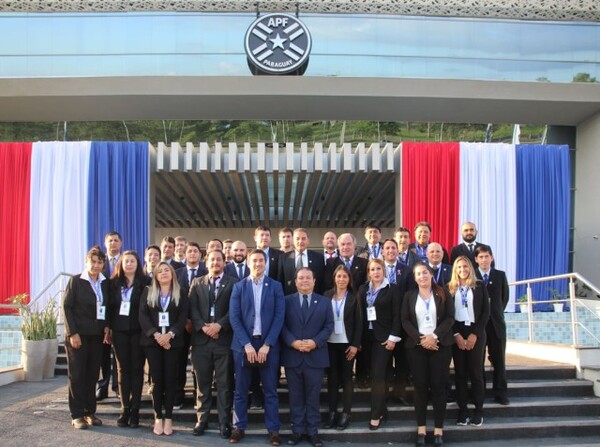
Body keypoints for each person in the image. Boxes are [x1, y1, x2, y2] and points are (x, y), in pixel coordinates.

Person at [229, 249, 285, 445]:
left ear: (266, 262)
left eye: (261, 260)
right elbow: (234, 318)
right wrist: (247, 345)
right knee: (241, 389)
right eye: (254, 260)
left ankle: (273, 430)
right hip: (244, 345)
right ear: (248, 262)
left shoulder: (276, 287)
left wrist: (267, 344)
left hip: (268, 345)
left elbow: (279, 317)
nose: (258, 264)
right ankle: (238, 427)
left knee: (270, 390)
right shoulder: (239, 287)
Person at [402, 262, 455, 447]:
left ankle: (439, 430)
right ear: (414, 278)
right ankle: (422, 429)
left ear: (431, 274)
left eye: (425, 272)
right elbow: (405, 320)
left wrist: (434, 336)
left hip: (440, 346)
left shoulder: (442, 293)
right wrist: (421, 339)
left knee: (439, 387)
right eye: (418, 274)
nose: (422, 276)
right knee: (420, 388)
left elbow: (450, 317)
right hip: (416, 348)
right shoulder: (409, 296)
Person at [281, 267, 334, 447]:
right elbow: (281, 326)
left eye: (308, 278)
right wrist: (292, 342)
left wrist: (315, 342)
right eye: (301, 278)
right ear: (295, 281)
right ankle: (297, 431)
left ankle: (313, 432)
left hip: (315, 356)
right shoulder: (286, 301)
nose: (304, 281)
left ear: (314, 281)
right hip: (293, 356)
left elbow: (328, 326)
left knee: (313, 397)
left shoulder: (325, 302)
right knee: (295, 396)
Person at [189, 249, 238, 437]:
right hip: (201, 342)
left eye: (219, 259)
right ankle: (201, 420)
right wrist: (204, 327)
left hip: (223, 341)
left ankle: (224, 422)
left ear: (224, 262)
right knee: (203, 384)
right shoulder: (196, 283)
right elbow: (192, 310)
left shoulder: (234, 283)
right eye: (212, 259)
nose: (215, 262)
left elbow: (234, 310)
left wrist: (219, 326)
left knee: (225, 384)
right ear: (206, 262)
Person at [62, 246, 111, 430]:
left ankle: (90, 412)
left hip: (97, 336)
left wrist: (107, 326)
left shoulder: (105, 283)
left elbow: (108, 307)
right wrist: (72, 333)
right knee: (77, 375)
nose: (96, 265)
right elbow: (66, 307)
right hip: (78, 336)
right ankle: (76, 414)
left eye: (100, 262)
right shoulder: (76, 281)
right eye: (93, 261)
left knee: (92, 375)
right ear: (86, 262)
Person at [139, 261, 189, 436]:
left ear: (172, 274)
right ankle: (158, 417)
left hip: (173, 343)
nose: (163, 273)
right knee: (157, 381)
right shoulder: (148, 291)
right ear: (155, 275)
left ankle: (169, 418)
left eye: (167, 270)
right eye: (160, 271)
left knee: (170, 380)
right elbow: (143, 316)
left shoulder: (181, 292)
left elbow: (183, 317)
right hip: (153, 343)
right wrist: (157, 335)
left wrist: (170, 335)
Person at [358, 258, 402, 430]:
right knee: (377, 375)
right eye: (372, 269)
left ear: (384, 271)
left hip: (384, 339)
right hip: (366, 338)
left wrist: (393, 338)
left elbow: (397, 316)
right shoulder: (363, 289)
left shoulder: (393, 289)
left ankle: (375, 414)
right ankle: (382, 408)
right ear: (368, 272)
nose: (375, 272)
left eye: (378, 268)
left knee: (377, 375)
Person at [448, 256, 490, 427]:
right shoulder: (450, 288)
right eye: (459, 267)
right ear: (455, 270)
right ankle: (463, 410)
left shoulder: (479, 286)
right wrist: (456, 334)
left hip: (475, 332)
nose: (462, 270)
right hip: (458, 332)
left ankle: (478, 410)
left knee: (476, 373)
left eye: (465, 266)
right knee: (460, 373)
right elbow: (447, 315)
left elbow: (485, 313)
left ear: (470, 268)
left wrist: (475, 334)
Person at [108, 250, 149, 428]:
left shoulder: (146, 282)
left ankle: (135, 412)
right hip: (119, 332)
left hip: (139, 332)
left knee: (137, 370)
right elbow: (108, 307)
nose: (129, 264)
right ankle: (125, 409)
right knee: (123, 370)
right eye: (126, 261)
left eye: (132, 261)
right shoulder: (113, 283)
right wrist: (108, 328)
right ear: (121, 264)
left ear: (137, 264)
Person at [323, 265, 362, 430]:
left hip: (347, 344)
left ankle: (346, 413)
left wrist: (355, 345)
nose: (341, 279)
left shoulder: (355, 297)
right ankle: (332, 412)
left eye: (345, 277)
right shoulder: (326, 295)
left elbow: (360, 322)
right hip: (330, 343)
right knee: (332, 379)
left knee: (346, 379)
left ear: (349, 279)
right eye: (338, 276)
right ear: (334, 278)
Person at [474, 246, 510, 405]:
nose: (484, 260)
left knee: (499, 360)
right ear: (476, 259)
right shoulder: (471, 275)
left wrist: (494, 313)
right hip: (478, 326)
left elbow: (504, 298)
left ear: (492, 257)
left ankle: (500, 393)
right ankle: (479, 392)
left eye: (486, 256)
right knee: (477, 361)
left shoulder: (500, 276)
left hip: (496, 325)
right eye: (480, 257)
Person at [382, 238, 415, 405]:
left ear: (398, 251)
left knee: (402, 360)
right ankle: (386, 392)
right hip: (383, 322)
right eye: (387, 248)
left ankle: (400, 392)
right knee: (385, 361)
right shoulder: (375, 269)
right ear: (382, 251)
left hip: (402, 321)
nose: (390, 251)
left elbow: (410, 296)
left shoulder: (407, 270)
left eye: (393, 248)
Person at [173, 242, 204, 409]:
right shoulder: (176, 274)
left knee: (199, 363)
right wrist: (184, 321)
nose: (192, 253)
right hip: (181, 325)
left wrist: (196, 322)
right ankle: (178, 394)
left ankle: (197, 396)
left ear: (200, 255)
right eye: (189, 251)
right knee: (179, 362)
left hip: (201, 325)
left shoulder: (206, 272)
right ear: (184, 254)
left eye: (195, 251)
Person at [97, 231, 121, 401]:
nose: (113, 243)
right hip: (102, 314)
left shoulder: (126, 260)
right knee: (103, 353)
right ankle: (103, 386)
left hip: (121, 313)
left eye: (116, 240)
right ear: (106, 244)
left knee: (119, 354)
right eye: (110, 241)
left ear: (121, 243)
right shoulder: (99, 263)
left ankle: (118, 386)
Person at [278, 228, 325, 295]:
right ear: (293, 241)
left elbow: (321, 281)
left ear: (308, 240)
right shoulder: (283, 258)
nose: (300, 241)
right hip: (290, 299)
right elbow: (280, 281)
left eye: (303, 238)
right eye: (297, 239)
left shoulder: (318, 257)